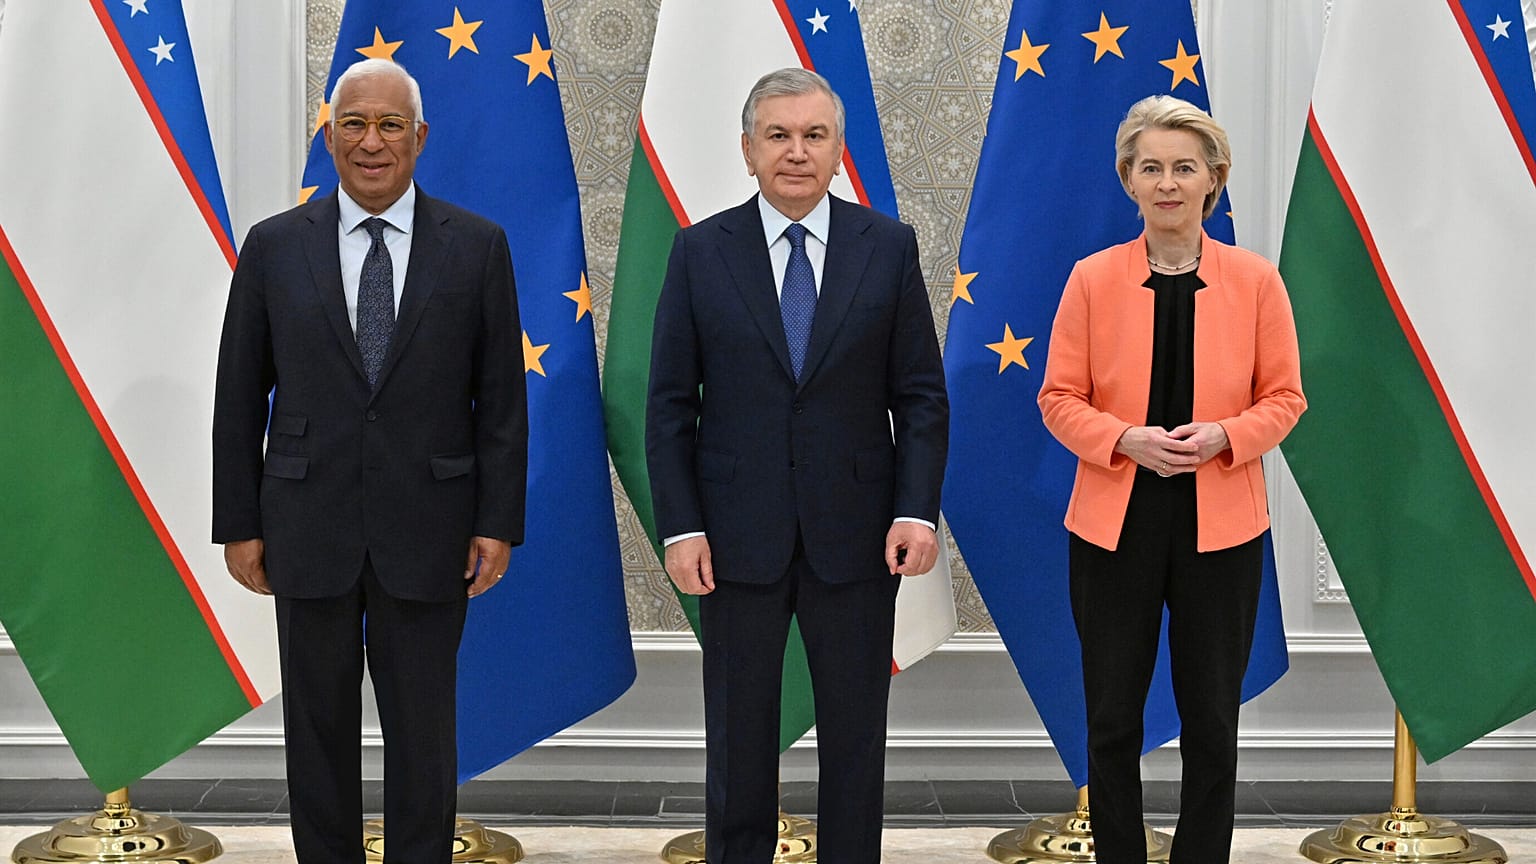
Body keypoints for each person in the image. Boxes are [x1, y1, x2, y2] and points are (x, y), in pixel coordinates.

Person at [212, 58, 526, 864]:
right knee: (316, 730)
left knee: (424, 731)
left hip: (431, 527)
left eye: (390, 125)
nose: (371, 141)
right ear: (330, 133)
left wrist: (497, 522)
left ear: (420, 138)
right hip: (304, 526)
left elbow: (500, 401)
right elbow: (240, 397)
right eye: (353, 123)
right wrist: (238, 523)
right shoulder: (276, 247)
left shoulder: (478, 247)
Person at [645, 68, 948, 864]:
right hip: (734, 540)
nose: (796, 152)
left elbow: (919, 396)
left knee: (856, 741)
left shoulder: (886, 247)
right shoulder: (698, 251)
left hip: (858, 537)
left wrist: (915, 511)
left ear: (838, 149)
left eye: (814, 136)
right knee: (738, 742)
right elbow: (670, 406)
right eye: (777, 135)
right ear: (747, 150)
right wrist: (682, 526)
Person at [1037, 95, 1306, 864]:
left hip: (1221, 528)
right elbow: (1057, 399)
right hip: (1113, 525)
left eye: (1184, 167)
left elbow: (1286, 398)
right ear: (1128, 179)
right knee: (1112, 717)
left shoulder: (1256, 282)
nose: (1167, 182)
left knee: (1213, 716)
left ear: (1212, 178)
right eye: (1150, 166)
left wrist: (1227, 435)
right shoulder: (1091, 279)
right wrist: (1125, 439)